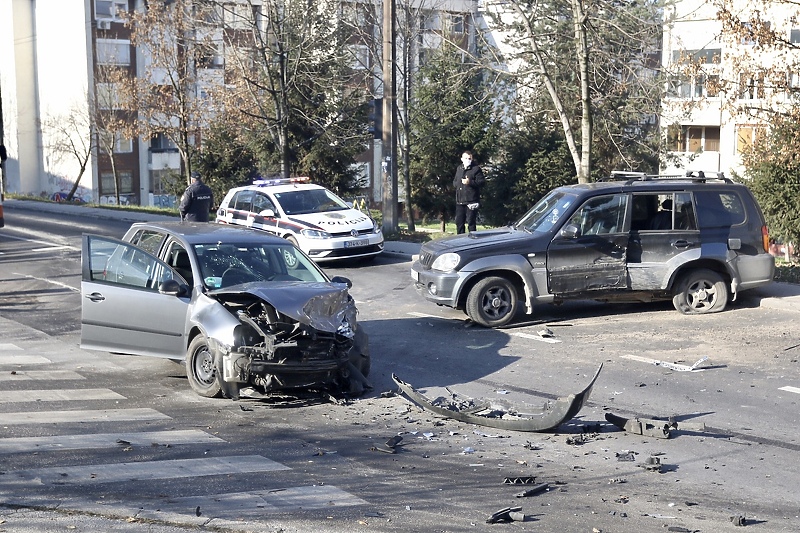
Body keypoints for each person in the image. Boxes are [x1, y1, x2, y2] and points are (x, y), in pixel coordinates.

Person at [453, 150, 485, 234]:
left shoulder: (476, 169)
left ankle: (472, 241)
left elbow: (481, 182)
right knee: (459, 223)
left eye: (469, 158)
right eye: (466, 158)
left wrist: (469, 182)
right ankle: (460, 241)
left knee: (471, 223)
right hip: (460, 201)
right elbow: (455, 181)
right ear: (462, 159)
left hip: (471, 201)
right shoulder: (459, 168)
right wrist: (457, 185)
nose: (468, 160)